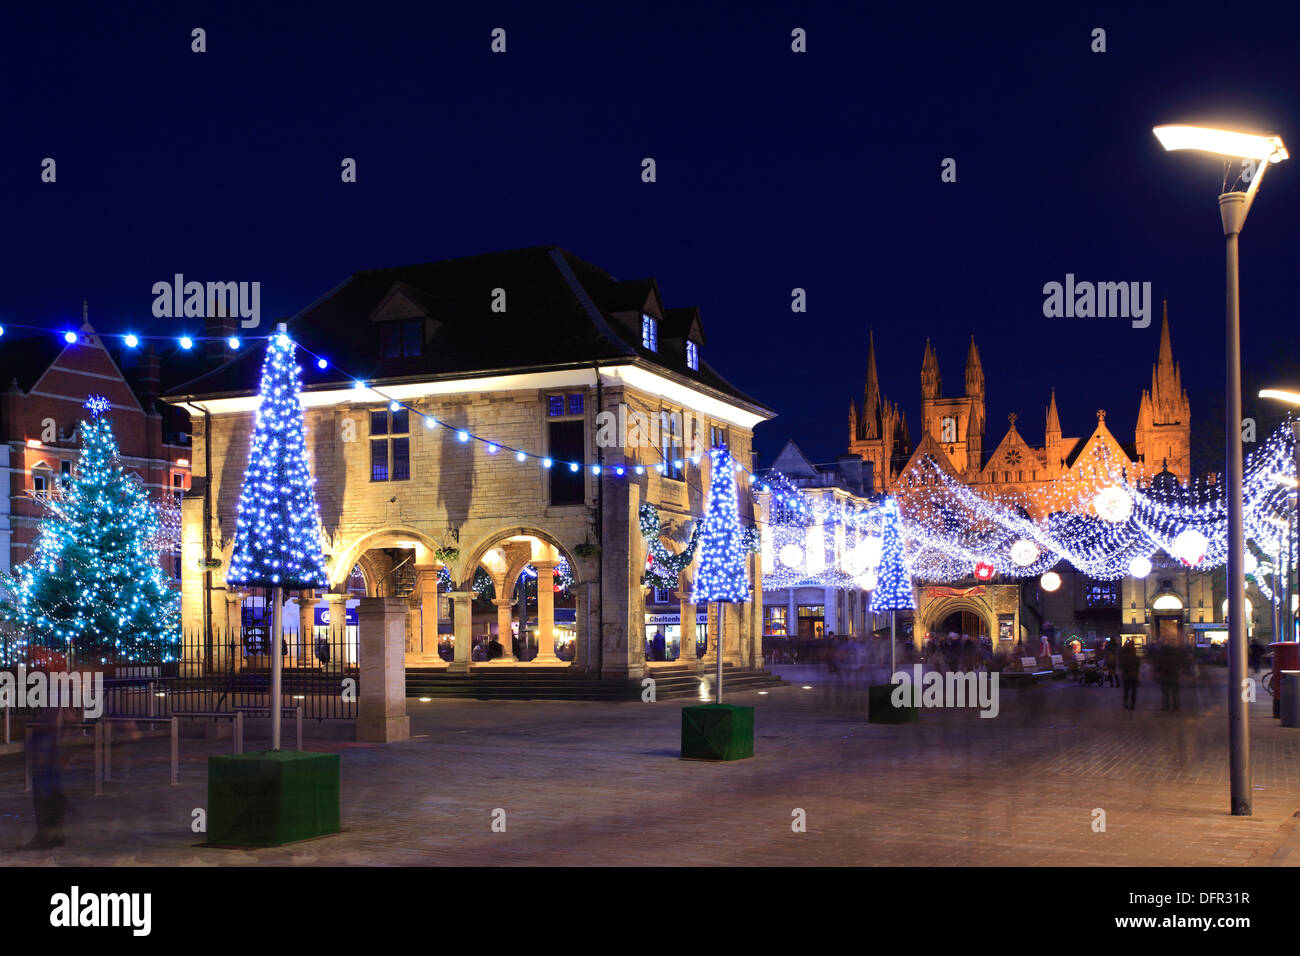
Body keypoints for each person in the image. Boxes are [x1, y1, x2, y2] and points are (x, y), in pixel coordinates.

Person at [1156, 640, 1185, 711]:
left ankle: (1165, 706)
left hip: (1165, 675)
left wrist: (1158, 672)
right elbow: (1182, 663)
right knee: (1175, 692)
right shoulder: (1178, 654)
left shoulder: (1163, 655)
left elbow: (1160, 664)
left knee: (1165, 692)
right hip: (1175, 675)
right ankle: (1176, 706)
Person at [1119, 639, 1140, 710]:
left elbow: (1121, 665)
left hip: (1126, 675)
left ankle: (1125, 703)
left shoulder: (1124, 656)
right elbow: (1137, 665)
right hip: (1133, 675)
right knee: (1133, 690)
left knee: (1126, 689)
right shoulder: (1135, 656)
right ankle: (1133, 704)